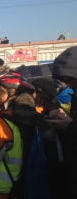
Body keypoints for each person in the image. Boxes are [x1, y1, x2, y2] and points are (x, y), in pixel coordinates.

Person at [0, 72, 45, 199]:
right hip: (31, 189)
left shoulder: (1, 124)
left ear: (11, 94)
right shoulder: (40, 119)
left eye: (0, 91)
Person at [47, 46, 77, 198]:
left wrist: (70, 126)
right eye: (66, 80)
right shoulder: (74, 96)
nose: (70, 84)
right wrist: (63, 119)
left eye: (72, 79)